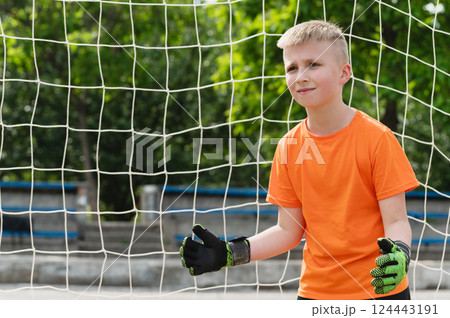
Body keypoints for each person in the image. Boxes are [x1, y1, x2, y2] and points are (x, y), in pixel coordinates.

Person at [179, 20, 419, 300]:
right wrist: (229, 253)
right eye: (291, 68)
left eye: (313, 64)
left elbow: (397, 220)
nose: (300, 75)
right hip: (314, 294)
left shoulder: (378, 138)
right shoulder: (288, 146)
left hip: (381, 291)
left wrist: (400, 252)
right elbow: (287, 231)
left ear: (344, 73)